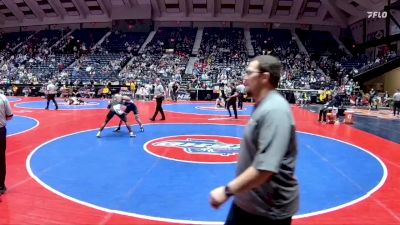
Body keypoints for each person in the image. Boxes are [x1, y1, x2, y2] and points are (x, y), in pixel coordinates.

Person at [210, 55, 298, 225]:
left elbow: (265, 167)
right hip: (249, 202)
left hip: (266, 212)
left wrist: (226, 192)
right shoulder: (263, 105)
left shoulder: (275, 110)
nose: (245, 78)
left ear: (264, 77)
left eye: (250, 73)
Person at [0, 93, 13, 195]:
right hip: (0, 130)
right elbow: (9, 116)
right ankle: (0, 186)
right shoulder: (2, 97)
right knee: (0, 158)